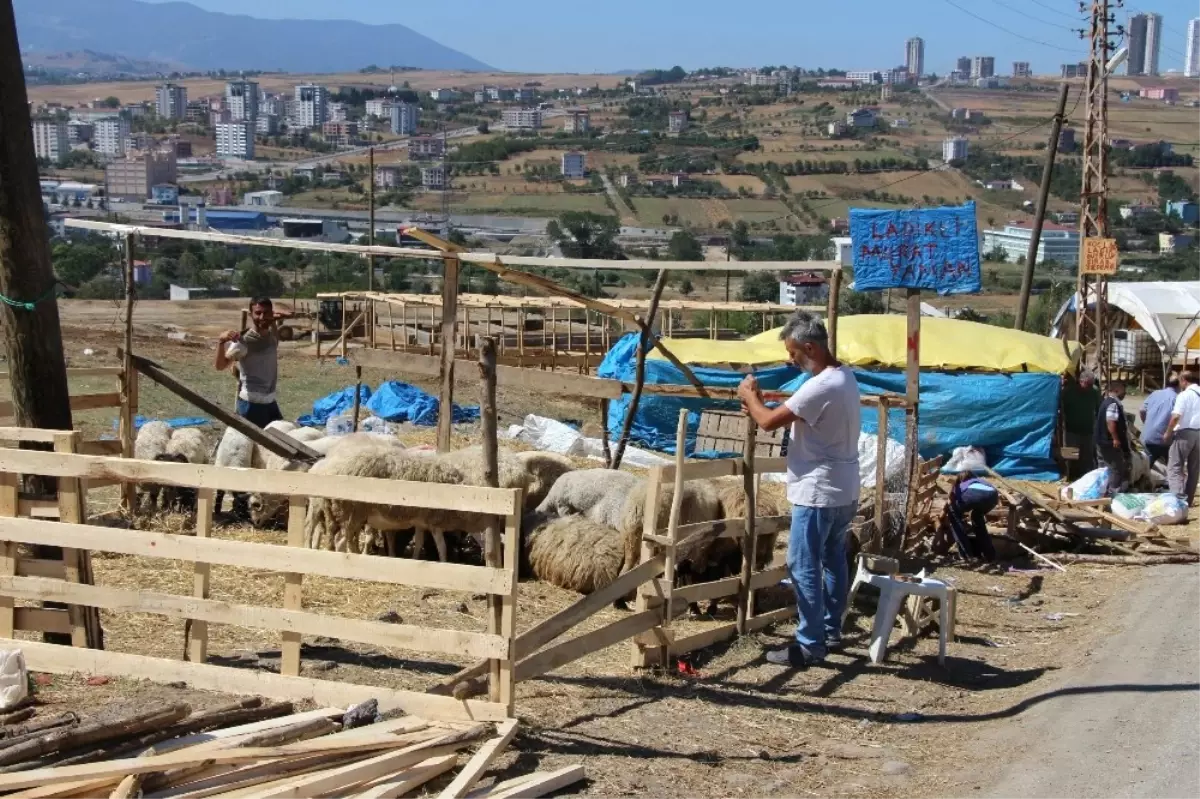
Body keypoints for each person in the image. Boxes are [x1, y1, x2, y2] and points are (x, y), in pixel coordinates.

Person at [738, 311, 860, 669]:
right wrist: (759, 405)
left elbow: (768, 422)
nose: (790, 359)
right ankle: (830, 628)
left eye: (793, 352)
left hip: (817, 490)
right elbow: (788, 412)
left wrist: (749, 395)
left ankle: (810, 643)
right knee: (833, 558)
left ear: (810, 347)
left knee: (803, 564)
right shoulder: (843, 377)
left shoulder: (820, 385)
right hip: (843, 487)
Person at [215, 297, 292, 428]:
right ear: (251, 315)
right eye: (258, 313)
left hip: (270, 402)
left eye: (266, 312)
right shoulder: (244, 342)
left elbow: (275, 337)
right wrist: (221, 342)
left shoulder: (272, 336)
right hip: (251, 405)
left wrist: (275, 318)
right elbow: (220, 366)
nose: (262, 317)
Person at [1164, 370, 1200, 505]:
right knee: (1194, 469)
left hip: (1185, 433)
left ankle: (1178, 501)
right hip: (1199, 434)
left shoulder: (1184, 395)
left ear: (1183, 380)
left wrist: (1168, 432)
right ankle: (1188, 500)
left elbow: (1176, 416)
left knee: (1174, 467)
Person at [946, 473, 998, 563]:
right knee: (977, 517)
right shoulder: (981, 480)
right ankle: (990, 555)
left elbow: (951, 500)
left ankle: (966, 555)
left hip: (973, 494)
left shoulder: (960, 484)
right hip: (993, 496)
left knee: (953, 513)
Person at [1061, 370, 1101, 479]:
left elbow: (1099, 409)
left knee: (1086, 459)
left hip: (1088, 431)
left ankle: (1085, 479)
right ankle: (1070, 477)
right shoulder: (1069, 392)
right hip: (1071, 430)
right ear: (1080, 381)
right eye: (1087, 385)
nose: (1088, 388)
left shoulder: (1094, 392)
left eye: (1091, 385)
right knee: (1071, 457)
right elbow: (1061, 409)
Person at [1094, 380, 1131, 496]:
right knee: (1116, 469)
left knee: (1103, 469)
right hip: (1109, 443)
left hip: (1101, 441)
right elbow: (1111, 421)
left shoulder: (1105, 402)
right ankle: (1112, 494)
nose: (1125, 394)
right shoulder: (1113, 403)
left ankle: (1101, 493)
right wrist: (1115, 438)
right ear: (1117, 390)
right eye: (1124, 391)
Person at [1140, 376, 1180, 472]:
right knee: (1172, 466)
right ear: (1178, 386)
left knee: (1146, 465)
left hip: (1148, 436)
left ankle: (1143, 483)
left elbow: (1141, 410)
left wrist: (1146, 423)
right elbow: (1176, 418)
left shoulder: (1155, 393)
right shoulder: (1177, 398)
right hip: (1165, 439)